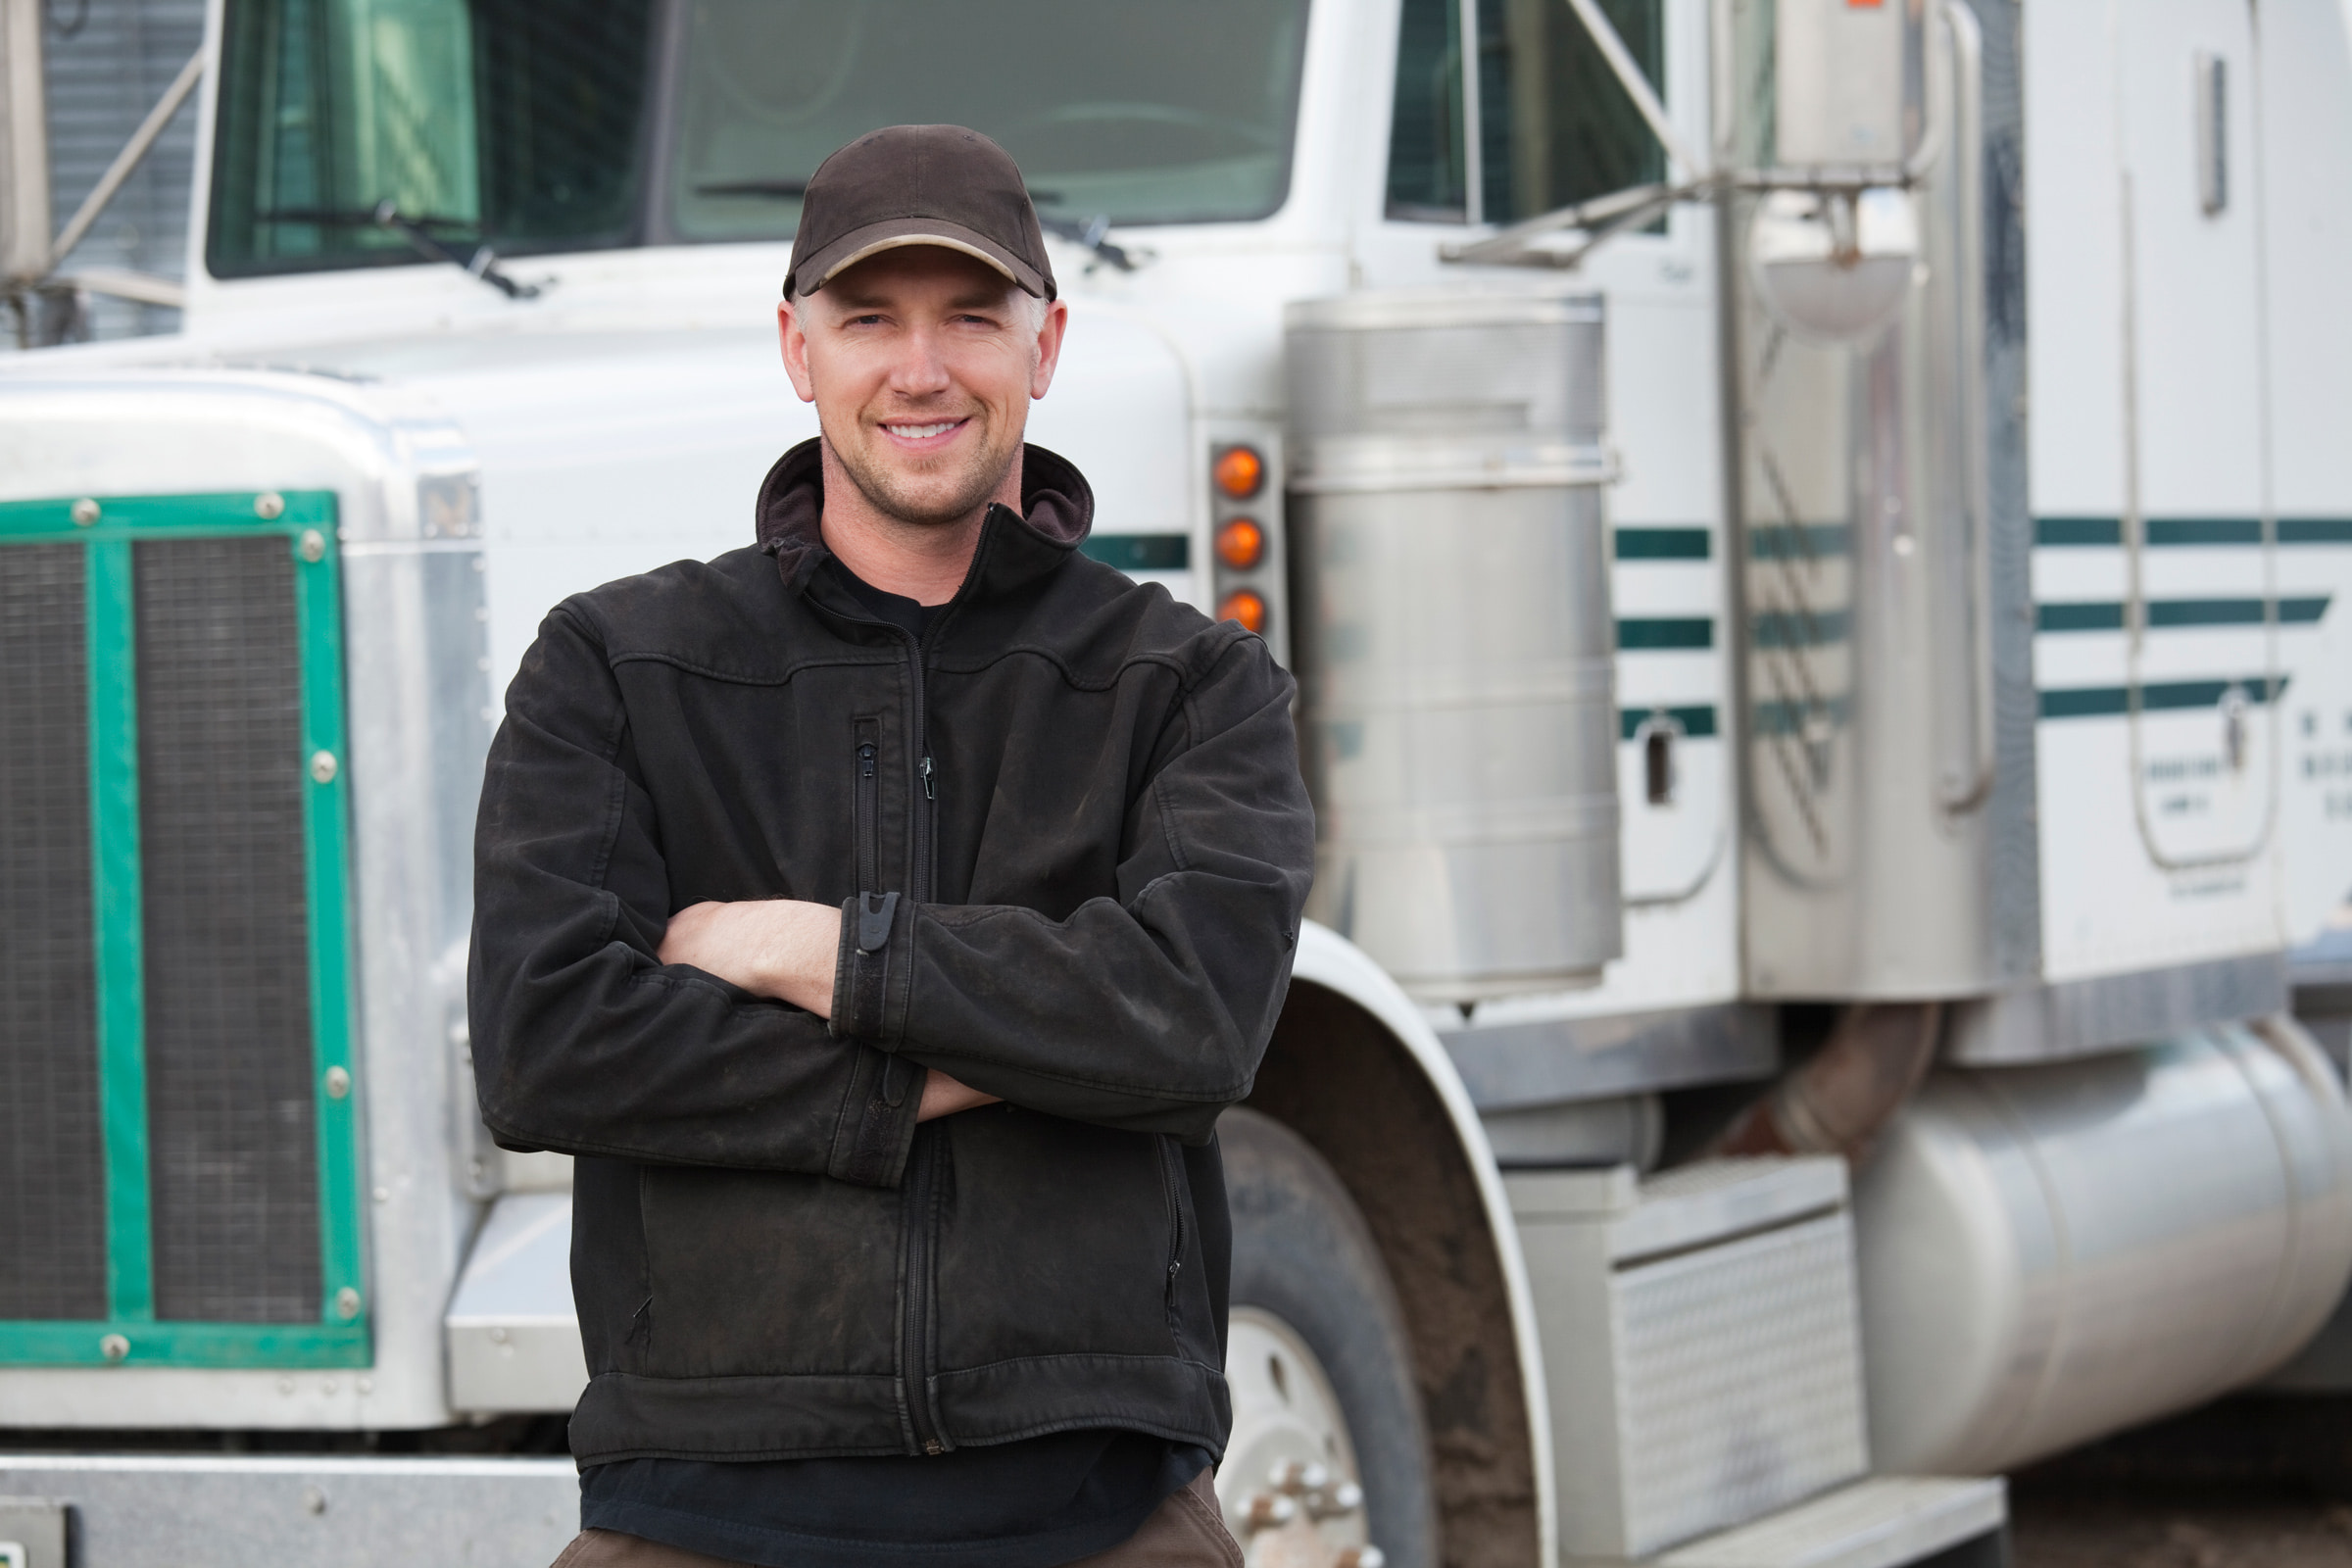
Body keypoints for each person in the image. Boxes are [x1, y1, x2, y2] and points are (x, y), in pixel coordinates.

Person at [468, 123, 1317, 1568]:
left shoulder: (1187, 684)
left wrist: (808, 951)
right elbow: (549, 1042)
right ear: (799, 353)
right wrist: (977, 1057)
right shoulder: (615, 667)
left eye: (971, 319)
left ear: (1045, 348)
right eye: (870, 320)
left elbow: (1194, 1017)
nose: (920, 370)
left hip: (1098, 1508)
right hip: (702, 1502)